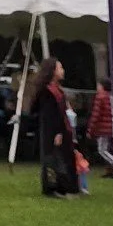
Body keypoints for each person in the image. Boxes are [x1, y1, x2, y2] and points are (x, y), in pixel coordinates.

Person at [30, 55, 78, 196]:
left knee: (63, 158)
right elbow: (50, 115)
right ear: (52, 71)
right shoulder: (48, 92)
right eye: (60, 68)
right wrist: (57, 132)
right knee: (52, 159)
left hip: (62, 129)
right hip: (51, 131)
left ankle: (66, 186)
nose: (63, 71)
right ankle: (52, 187)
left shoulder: (58, 90)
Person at [87, 77, 113, 175]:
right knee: (107, 149)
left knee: (102, 150)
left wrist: (90, 130)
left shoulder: (100, 97)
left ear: (102, 86)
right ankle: (110, 170)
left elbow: (96, 114)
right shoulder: (110, 96)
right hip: (111, 127)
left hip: (103, 129)